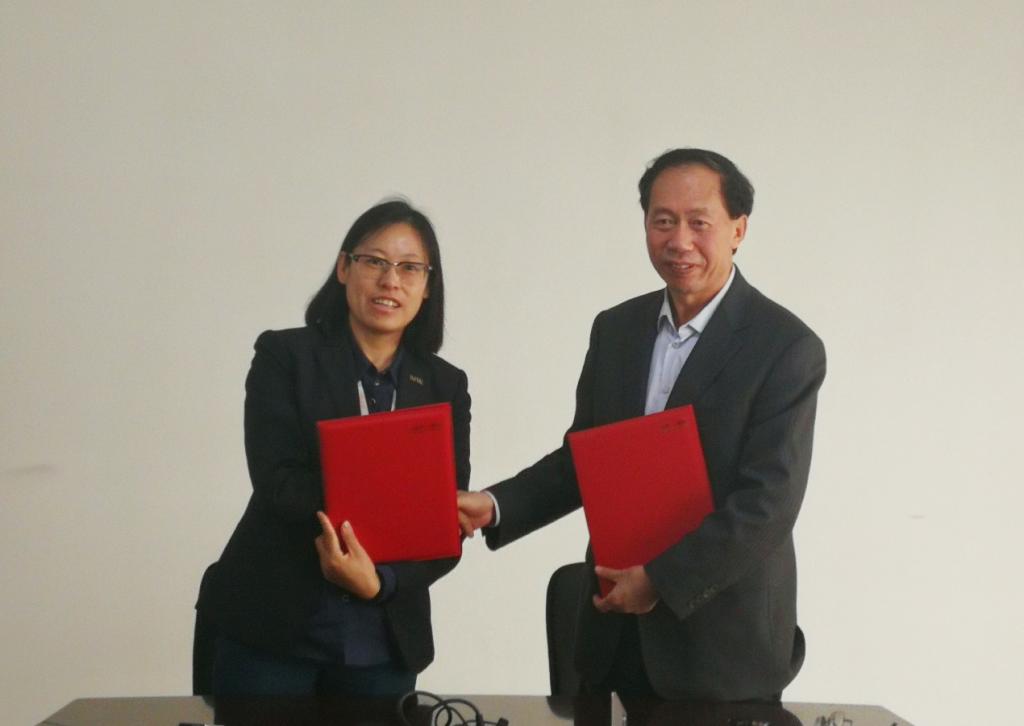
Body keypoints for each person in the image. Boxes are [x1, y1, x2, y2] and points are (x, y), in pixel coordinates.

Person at [458, 148, 826, 701]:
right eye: (663, 221)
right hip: (613, 632)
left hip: (722, 649)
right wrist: (495, 504)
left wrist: (659, 581)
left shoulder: (785, 347)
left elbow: (767, 504)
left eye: (699, 222)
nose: (679, 241)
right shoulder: (617, 330)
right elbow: (586, 458)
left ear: (738, 229)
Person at [195, 199, 470, 696]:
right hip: (272, 626)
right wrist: (397, 499)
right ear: (344, 268)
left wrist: (379, 583)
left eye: (410, 268)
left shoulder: (444, 385)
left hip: (384, 638)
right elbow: (279, 483)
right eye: (375, 261)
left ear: (428, 286)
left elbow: (446, 521)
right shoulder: (285, 356)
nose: (391, 281)